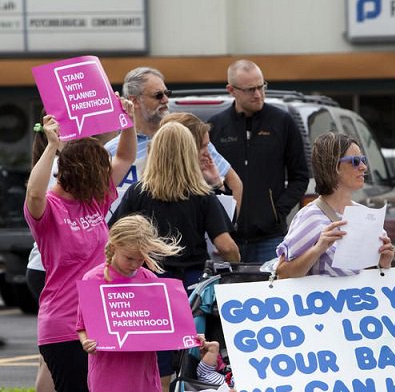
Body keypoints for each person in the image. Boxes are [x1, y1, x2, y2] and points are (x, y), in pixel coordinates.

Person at [109, 121, 240, 390]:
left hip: (149, 283)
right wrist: (236, 266)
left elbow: (115, 235)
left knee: (158, 357)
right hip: (190, 288)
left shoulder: (138, 192)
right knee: (191, 356)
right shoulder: (201, 195)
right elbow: (225, 245)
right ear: (187, 153)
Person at [23, 107, 136, 392]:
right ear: (81, 174)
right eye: (101, 171)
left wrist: (128, 122)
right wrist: (52, 147)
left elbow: (125, 157)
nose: (107, 178)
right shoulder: (49, 210)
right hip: (64, 327)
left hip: (101, 321)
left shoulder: (93, 202)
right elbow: (34, 193)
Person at [105, 66, 243, 217]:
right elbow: (99, 196)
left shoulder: (189, 138)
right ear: (134, 100)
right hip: (135, 235)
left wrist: (231, 226)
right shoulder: (114, 150)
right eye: (158, 95)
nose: (165, 100)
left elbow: (234, 183)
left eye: (167, 93)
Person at [209, 60, 309, 263]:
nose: (258, 94)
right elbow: (202, 178)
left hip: (270, 237)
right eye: (250, 89)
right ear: (231, 90)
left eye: (261, 86)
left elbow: (300, 176)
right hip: (225, 237)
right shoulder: (217, 126)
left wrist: (277, 212)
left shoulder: (282, 122)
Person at [77, 214, 182, 392]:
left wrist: (189, 336)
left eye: (141, 259)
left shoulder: (149, 279)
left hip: (143, 373)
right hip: (108, 373)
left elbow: (167, 322)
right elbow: (82, 326)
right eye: (129, 258)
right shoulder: (94, 280)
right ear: (114, 247)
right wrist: (86, 342)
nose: (134, 265)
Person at [275, 132, 394, 278]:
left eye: (363, 160)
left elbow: (370, 278)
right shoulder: (311, 216)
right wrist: (318, 249)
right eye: (355, 161)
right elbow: (282, 273)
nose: (363, 167)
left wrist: (383, 264)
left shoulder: (365, 216)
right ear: (333, 166)